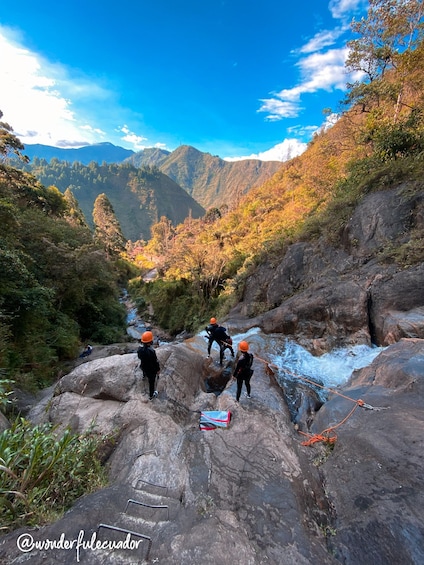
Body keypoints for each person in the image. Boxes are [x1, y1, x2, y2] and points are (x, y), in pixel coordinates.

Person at [137, 331, 160, 400]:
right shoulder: (151, 351)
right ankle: (151, 395)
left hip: (143, 366)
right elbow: (155, 362)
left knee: (144, 369)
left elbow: (139, 358)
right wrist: (158, 369)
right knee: (151, 381)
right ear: (150, 342)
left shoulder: (139, 350)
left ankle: (144, 375)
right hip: (151, 370)